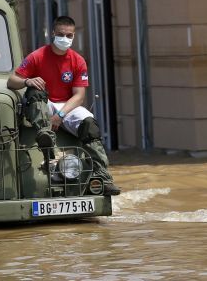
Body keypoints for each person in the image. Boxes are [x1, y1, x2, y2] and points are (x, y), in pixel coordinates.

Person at [7, 15, 121, 196]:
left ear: (74, 36)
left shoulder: (78, 60)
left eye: (69, 35)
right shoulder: (38, 56)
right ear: (53, 33)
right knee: (34, 92)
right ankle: (44, 133)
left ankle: (102, 177)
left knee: (90, 125)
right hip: (44, 102)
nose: (65, 39)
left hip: (67, 106)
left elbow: (79, 96)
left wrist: (59, 116)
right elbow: (12, 81)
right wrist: (27, 81)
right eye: (61, 34)